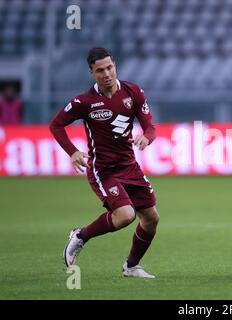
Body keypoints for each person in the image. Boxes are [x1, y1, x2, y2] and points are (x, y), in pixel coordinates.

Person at [50, 47, 159, 278]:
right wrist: (72, 151)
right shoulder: (85, 102)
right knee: (125, 215)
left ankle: (131, 267)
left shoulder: (133, 92)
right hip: (103, 170)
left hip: (129, 166)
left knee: (151, 219)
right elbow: (56, 125)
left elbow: (150, 126)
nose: (107, 73)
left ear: (115, 65)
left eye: (110, 67)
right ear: (92, 73)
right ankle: (80, 236)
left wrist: (146, 137)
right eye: (100, 70)